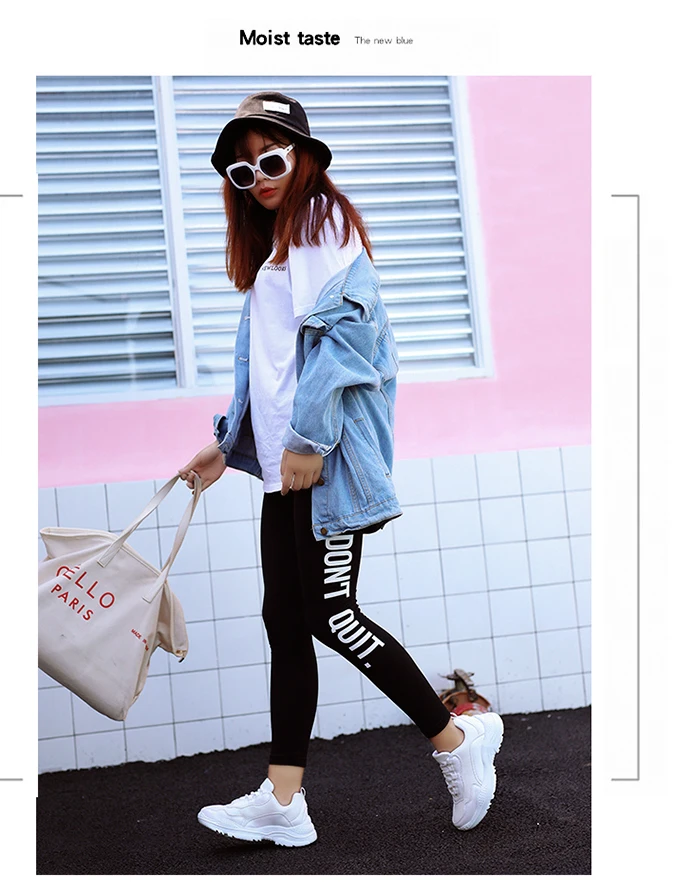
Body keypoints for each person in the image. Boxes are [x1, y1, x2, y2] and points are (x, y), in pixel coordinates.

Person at [178, 91, 503, 847]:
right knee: (285, 622)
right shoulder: (276, 249)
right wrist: (228, 443)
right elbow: (272, 366)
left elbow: (348, 342)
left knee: (331, 614)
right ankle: (283, 800)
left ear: (304, 159)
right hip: (287, 464)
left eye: (271, 160)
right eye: (242, 170)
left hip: (321, 463)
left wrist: (309, 439)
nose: (258, 178)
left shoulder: (322, 222)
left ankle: (457, 741)